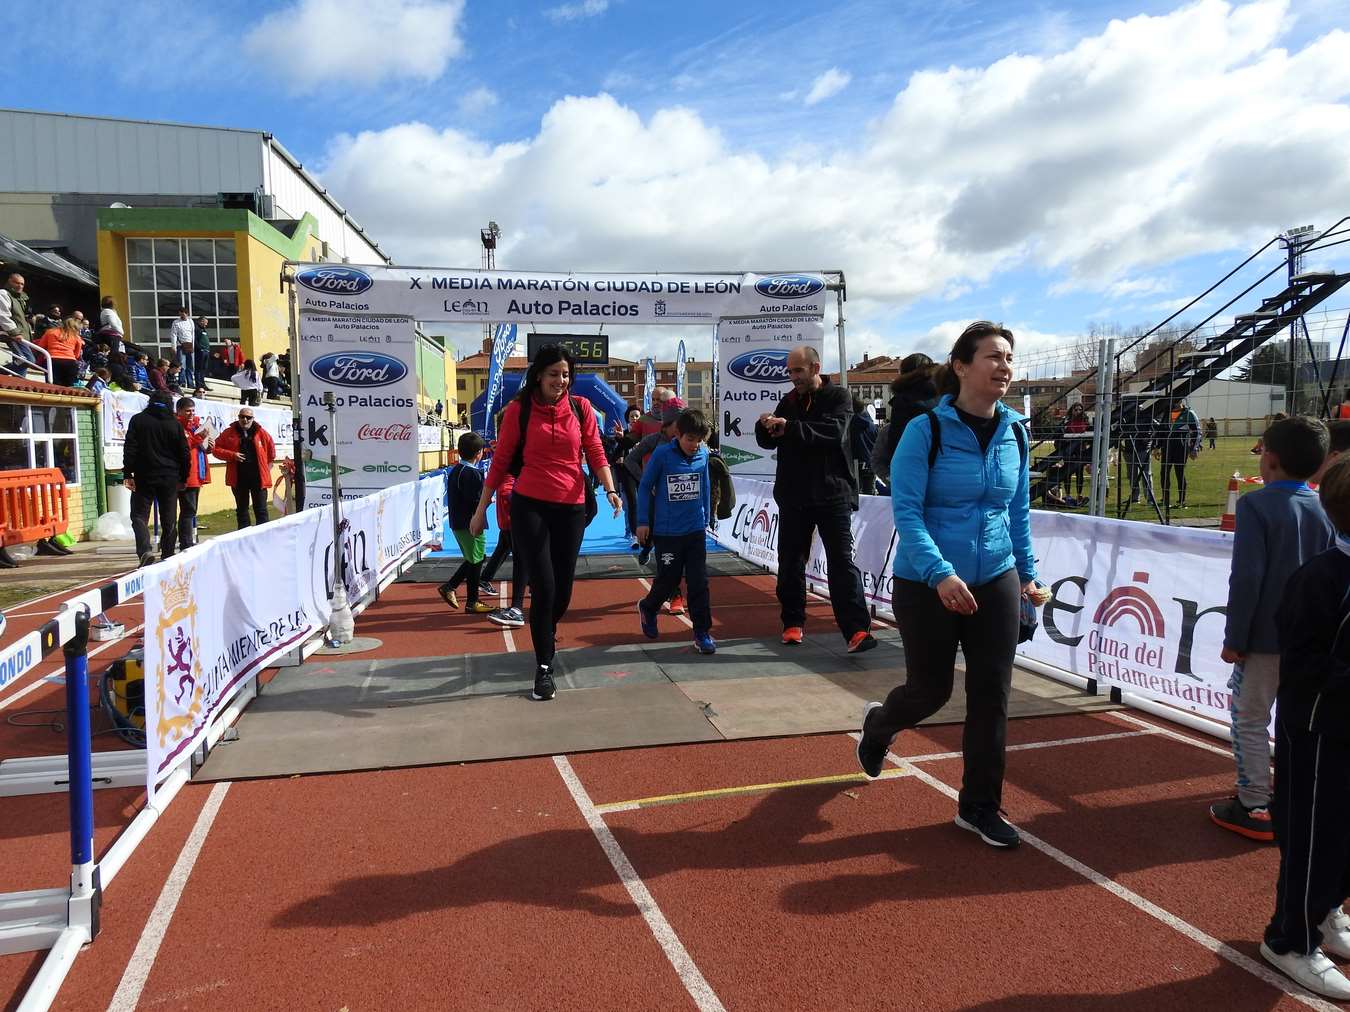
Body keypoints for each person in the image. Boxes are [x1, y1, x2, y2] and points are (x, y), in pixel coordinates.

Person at [857, 320, 1042, 849]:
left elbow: (1018, 511)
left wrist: (1027, 573)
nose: (1004, 366)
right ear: (962, 366)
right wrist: (940, 573)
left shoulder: (1016, 432)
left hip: (996, 578)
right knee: (931, 690)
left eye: (1009, 357)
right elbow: (907, 513)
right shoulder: (925, 431)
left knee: (992, 695)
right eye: (993, 357)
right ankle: (880, 724)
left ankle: (979, 806)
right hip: (927, 581)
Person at [468, 344, 622, 702]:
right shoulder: (519, 411)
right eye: (554, 374)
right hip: (530, 506)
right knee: (545, 587)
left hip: (571, 507)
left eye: (566, 374)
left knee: (563, 593)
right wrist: (481, 509)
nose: (561, 381)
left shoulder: (581, 408)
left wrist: (611, 490)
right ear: (539, 375)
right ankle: (543, 668)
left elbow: (596, 451)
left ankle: (545, 627)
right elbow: (502, 460)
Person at [1210, 416, 1332, 841]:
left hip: (1264, 638)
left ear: (1271, 460)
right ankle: (1297, 796)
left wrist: (1234, 637)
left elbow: (1247, 577)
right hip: (1313, 640)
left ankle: (1254, 802)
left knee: (1248, 719)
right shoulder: (1323, 506)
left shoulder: (1255, 505)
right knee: (1298, 720)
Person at [1257, 456, 1350, 999]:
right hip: (1318, 735)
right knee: (1315, 842)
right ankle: (1290, 938)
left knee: (1346, 841)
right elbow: (1306, 668)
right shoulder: (1319, 580)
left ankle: (1328, 914)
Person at [754, 345, 875, 653]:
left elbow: (833, 433)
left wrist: (789, 427)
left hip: (832, 494)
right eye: (790, 372)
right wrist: (765, 425)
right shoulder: (789, 400)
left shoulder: (839, 397)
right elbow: (771, 441)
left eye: (798, 371)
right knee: (790, 561)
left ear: (815, 367)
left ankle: (856, 630)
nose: (793, 377)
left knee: (841, 562)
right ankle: (792, 622)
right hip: (794, 495)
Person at [636, 409, 716, 653]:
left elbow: (705, 484)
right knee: (668, 579)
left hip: (694, 529)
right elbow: (645, 487)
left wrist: (707, 515)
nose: (694, 445)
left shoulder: (703, 454)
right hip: (668, 531)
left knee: (698, 581)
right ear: (678, 435)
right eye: (690, 439)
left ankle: (702, 632)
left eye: (699, 440)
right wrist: (642, 522)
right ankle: (649, 607)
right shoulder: (662, 455)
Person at [122, 390, 189, 567]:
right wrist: (183, 477)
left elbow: (130, 448)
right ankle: (167, 557)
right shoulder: (174, 424)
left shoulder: (138, 420)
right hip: (170, 477)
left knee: (138, 516)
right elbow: (184, 453)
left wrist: (128, 474)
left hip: (144, 476)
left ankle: (145, 550)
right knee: (169, 519)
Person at [438, 432, 495, 615]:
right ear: (479, 453)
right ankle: (471, 601)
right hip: (470, 524)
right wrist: (489, 499)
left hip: (459, 523)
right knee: (476, 560)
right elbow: (477, 500)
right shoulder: (473, 473)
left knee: (476, 558)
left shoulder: (456, 470)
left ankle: (451, 586)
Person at [873, 353, 939, 490]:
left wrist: (893, 479)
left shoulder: (903, 402)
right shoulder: (946, 398)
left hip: (909, 483)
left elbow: (894, 447)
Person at [213, 407, 275, 528]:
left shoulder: (261, 433)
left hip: (258, 479)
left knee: (261, 510)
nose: (245, 419)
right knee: (242, 511)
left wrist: (265, 470)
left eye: (248, 417)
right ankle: (243, 540)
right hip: (239, 478)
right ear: (238, 418)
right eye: (242, 417)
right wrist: (232, 455)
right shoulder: (229, 432)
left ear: (253, 419)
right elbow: (216, 449)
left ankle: (264, 539)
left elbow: (271, 453)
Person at [482, 470, 527, 628]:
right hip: (511, 522)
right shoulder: (509, 475)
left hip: (508, 521)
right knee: (522, 559)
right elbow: (506, 492)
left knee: (506, 551)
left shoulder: (508, 475)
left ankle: (485, 577)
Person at [175, 397, 213, 551]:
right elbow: (184, 446)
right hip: (186, 475)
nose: (191, 414)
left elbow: (201, 448)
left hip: (197, 473)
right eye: (187, 411)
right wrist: (200, 438)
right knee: (188, 510)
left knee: (190, 510)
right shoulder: (177, 426)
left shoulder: (196, 426)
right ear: (179, 411)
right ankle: (185, 543)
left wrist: (209, 445)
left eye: (193, 411)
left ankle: (187, 541)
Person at [1161, 397, 1201, 508]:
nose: (1176, 403)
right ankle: (1165, 500)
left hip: (1181, 447)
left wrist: (1194, 448)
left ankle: (1181, 501)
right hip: (1167, 447)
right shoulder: (1166, 413)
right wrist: (1156, 447)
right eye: (1173, 401)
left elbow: (1197, 431)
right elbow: (1161, 431)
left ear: (1182, 401)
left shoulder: (1189, 413)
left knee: (1179, 473)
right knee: (1164, 473)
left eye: (1178, 401)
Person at [0, 272, 37, 373]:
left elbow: (21, 318)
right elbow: (2, 315)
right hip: (12, 334)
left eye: (22, 284)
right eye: (17, 283)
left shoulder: (21, 298)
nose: (20, 286)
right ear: (9, 282)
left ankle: (18, 383)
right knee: (28, 360)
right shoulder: (3, 293)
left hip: (22, 335)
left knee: (21, 364)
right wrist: (15, 332)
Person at [36, 317, 84, 387]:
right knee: (68, 389)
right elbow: (77, 355)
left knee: (52, 387)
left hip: (52, 361)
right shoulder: (76, 337)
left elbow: (40, 347)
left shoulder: (50, 332)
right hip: (70, 362)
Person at [849, 396, 878, 495]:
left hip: (855, 464)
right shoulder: (872, 425)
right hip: (870, 464)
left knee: (855, 496)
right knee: (870, 496)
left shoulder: (850, 424)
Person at [170, 308, 195, 390]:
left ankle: (191, 383)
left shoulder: (191, 321)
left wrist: (193, 346)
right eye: (180, 313)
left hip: (190, 345)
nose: (182, 315)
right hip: (181, 345)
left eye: (184, 313)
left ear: (187, 314)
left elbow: (192, 334)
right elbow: (173, 334)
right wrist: (173, 347)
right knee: (182, 365)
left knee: (190, 366)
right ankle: (182, 382)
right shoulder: (176, 322)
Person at [193, 317, 211, 395]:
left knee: (204, 369)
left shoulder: (204, 330)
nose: (206, 324)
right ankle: (198, 385)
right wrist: (200, 349)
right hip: (200, 352)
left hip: (206, 351)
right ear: (201, 321)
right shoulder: (197, 329)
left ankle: (203, 384)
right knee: (199, 369)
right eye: (205, 322)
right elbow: (195, 340)